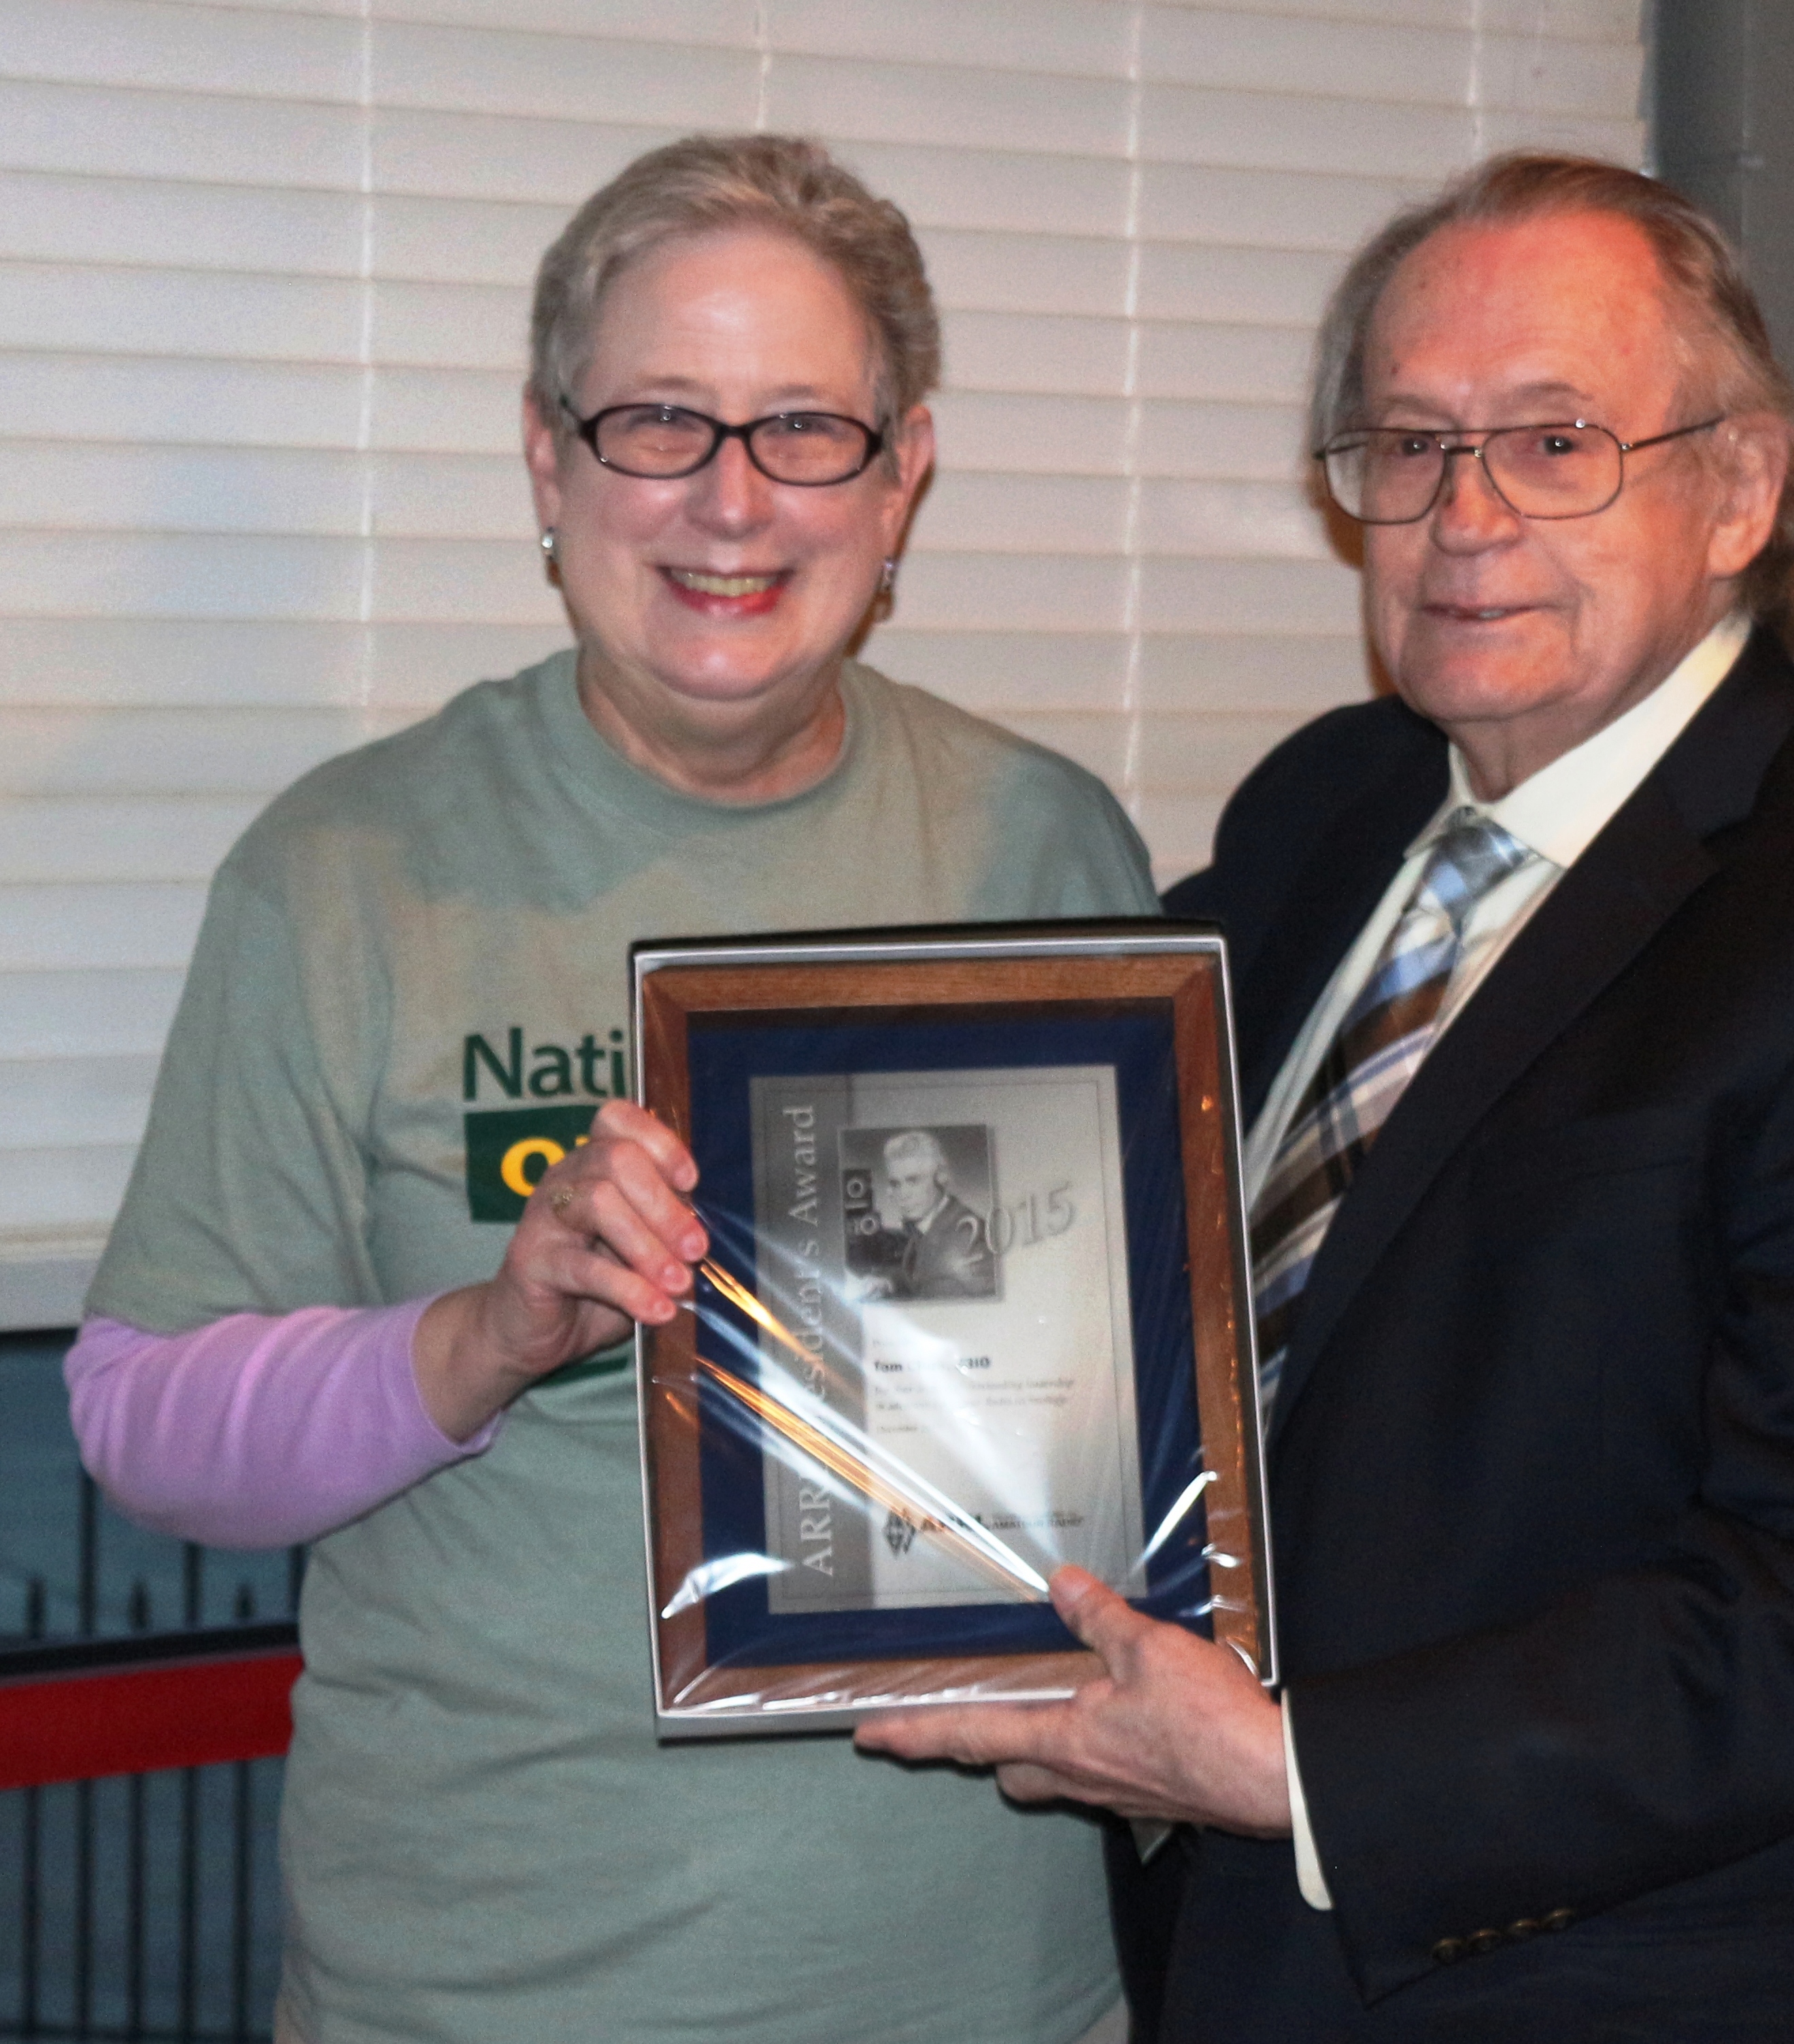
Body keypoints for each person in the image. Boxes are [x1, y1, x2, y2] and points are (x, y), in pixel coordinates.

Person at [856, 154, 1794, 2041]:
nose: (1462, 517)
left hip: (1676, 1986)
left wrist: (1302, 1771)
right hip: (1255, 1965)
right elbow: (1112, 1235)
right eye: (1407, 443)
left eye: (1552, 442)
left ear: (1739, 491)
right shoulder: (1325, 810)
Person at [67, 134, 1153, 2044]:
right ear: (546, 461)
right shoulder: (344, 873)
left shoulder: (1045, 848)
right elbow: (143, 1420)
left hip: (982, 1988)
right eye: (658, 420)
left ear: (900, 475)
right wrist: (482, 1337)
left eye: (803, 426)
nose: (731, 498)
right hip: (479, 1989)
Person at [877, 1129, 998, 1298]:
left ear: (940, 1178)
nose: (903, 1194)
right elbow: (919, 1274)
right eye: (896, 1184)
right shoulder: (927, 1225)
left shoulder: (968, 1235)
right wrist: (889, 1282)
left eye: (913, 1181)